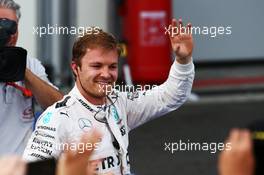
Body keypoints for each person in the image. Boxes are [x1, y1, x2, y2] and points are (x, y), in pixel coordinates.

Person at [23, 18, 195, 174]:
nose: (106, 74)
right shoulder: (56, 118)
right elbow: (30, 171)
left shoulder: (120, 101)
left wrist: (183, 61)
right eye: (96, 66)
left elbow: (169, 97)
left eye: (112, 66)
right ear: (76, 68)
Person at [0, 0, 63, 156]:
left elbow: (60, 109)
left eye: (10, 26)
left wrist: (22, 70)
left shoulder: (30, 65)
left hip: (20, 166)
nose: (4, 32)